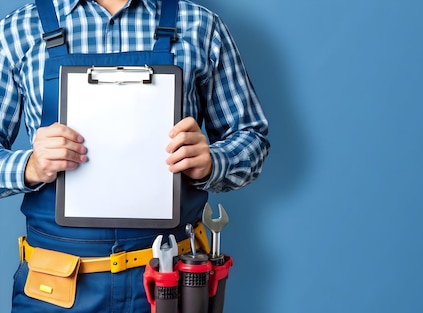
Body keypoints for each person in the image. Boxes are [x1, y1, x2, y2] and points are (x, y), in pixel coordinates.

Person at [0, 0, 269, 311]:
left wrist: (211, 161)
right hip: (56, 289)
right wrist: (29, 165)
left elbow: (253, 139)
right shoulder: (18, 31)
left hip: (171, 284)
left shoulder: (200, 25)